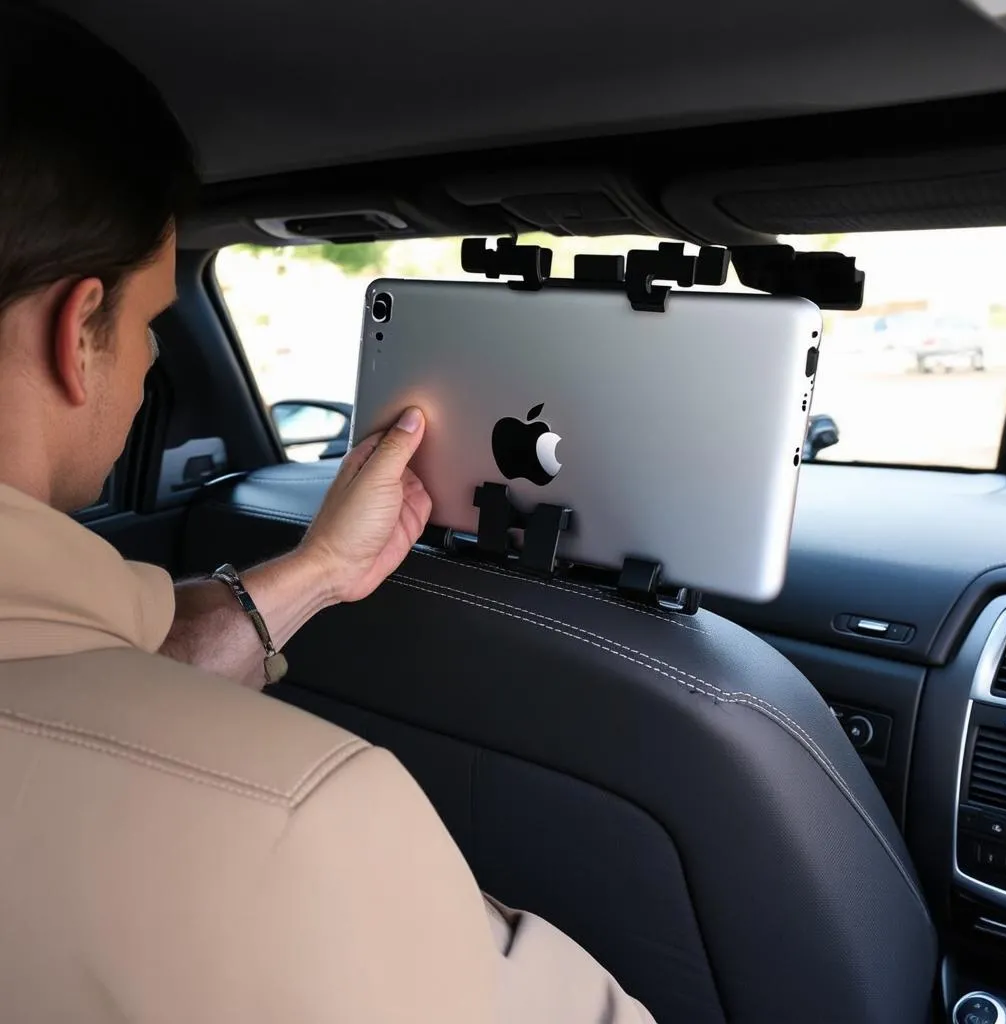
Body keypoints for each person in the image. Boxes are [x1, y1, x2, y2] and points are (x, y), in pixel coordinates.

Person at [0, 4, 655, 1021]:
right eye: (149, 326)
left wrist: (317, 570)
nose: (144, 369)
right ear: (77, 327)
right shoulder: (289, 818)